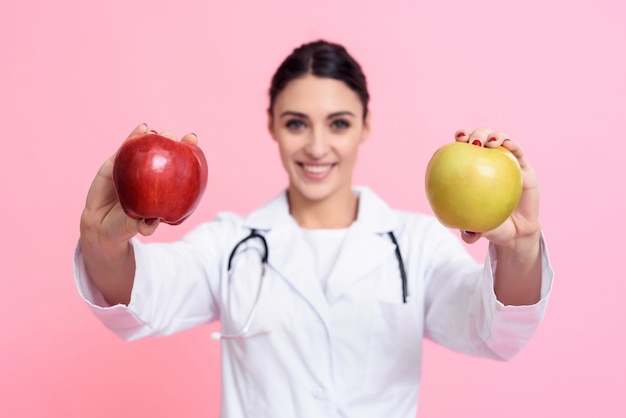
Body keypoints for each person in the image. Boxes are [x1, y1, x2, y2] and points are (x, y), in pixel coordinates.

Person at [74, 40, 553, 418]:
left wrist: (520, 247)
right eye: (297, 123)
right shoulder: (233, 245)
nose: (317, 146)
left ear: (365, 125)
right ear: (273, 126)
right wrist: (104, 244)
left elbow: (496, 333)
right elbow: (143, 301)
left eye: (339, 123)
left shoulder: (415, 246)